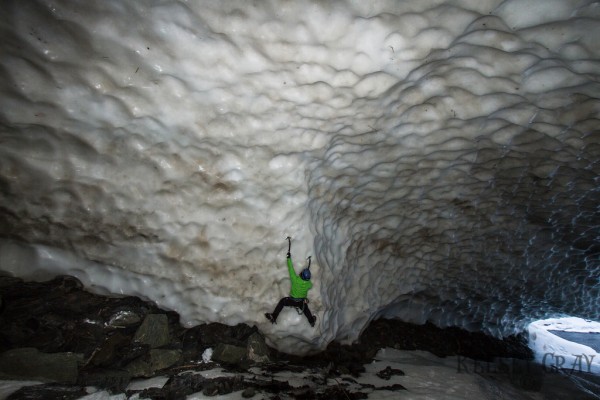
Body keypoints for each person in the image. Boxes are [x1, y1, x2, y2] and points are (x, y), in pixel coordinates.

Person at [265, 237, 316, 327]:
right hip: (301, 302)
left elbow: (291, 268)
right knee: (306, 310)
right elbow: (310, 285)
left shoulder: (295, 279)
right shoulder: (308, 284)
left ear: (301, 275)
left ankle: (274, 316)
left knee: (282, 302)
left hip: (291, 300)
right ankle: (311, 321)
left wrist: (289, 257)